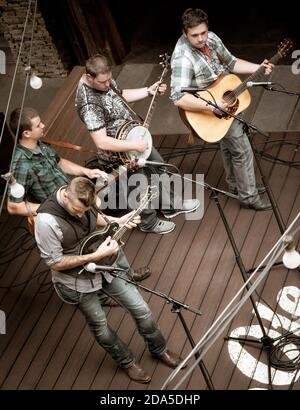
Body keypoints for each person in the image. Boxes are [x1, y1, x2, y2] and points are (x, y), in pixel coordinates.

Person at [34, 177, 185, 383]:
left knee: (141, 309)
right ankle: (127, 362)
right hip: (75, 282)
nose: (80, 214)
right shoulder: (45, 222)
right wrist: (94, 257)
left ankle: (159, 349)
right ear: (66, 194)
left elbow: (96, 218)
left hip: (104, 267)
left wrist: (120, 221)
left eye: (85, 211)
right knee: (101, 327)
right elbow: (55, 262)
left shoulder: (85, 201)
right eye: (76, 210)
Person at [7, 107, 149, 282]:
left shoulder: (40, 145)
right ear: (26, 133)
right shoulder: (20, 164)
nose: (43, 125)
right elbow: (13, 206)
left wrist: (86, 172)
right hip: (61, 216)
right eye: (38, 125)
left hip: (74, 201)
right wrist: (50, 209)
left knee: (106, 236)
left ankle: (126, 276)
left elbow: (59, 163)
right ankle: (104, 290)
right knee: (85, 250)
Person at [75, 54, 200, 234]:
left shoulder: (104, 81)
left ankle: (170, 206)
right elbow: (101, 141)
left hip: (134, 138)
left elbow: (122, 95)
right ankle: (148, 223)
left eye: (110, 79)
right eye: (103, 82)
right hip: (119, 153)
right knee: (138, 185)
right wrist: (134, 147)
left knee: (158, 167)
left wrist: (148, 91)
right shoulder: (89, 105)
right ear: (89, 77)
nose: (108, 84)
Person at [170, 8, 273, 211]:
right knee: (242, 150)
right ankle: (249, 197)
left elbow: (232, 62)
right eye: (195, 35)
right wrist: (212, 106)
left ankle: (238, 186)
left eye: (203, 33)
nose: (201, 39)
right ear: (184, 32)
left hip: (224, 99)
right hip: (208, 109)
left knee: (229, 148)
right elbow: (178, 97)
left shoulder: (212, 38)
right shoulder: (183, 57)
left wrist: (257, 67)